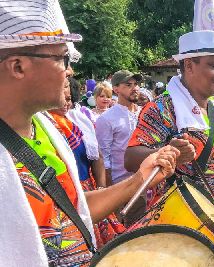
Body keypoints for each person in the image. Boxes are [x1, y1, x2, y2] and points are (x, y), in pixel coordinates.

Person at [0, 2, 179, 265]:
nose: (70, 71)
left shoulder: (47, 129)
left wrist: (140, 178)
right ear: (17, 67)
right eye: (63, 58)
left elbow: (73, 211)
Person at [124, 30, 214, 263]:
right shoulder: (162, 109)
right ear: (189, 65)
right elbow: (131, 157)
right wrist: (168, 153)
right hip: (181, 222)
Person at [47, 82, 125, 249]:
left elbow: (96, 156)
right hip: (64, 197)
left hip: (88, 190)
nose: (66, 100)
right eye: (62, 95)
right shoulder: (41, 125)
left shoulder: (77, 120)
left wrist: (101, 188)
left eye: (68, 93)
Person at [95, 70, 145, 225]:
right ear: (116, 89)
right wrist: (110, 190)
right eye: (128, 85)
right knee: (128, 228)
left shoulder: (143, 113)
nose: (135, 88)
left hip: (147, 179)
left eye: (136, 84)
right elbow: (104, 155)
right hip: (121, 184)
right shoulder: (107, 118)